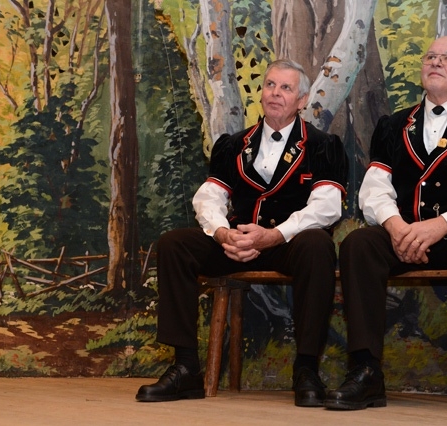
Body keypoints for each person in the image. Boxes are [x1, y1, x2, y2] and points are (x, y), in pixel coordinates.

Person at [325, 36, 447, 410]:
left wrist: (442, 225)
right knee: (359, 244)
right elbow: (374, 190)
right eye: (430, 56)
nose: (435, 62)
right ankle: (366, 371)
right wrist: (396, 227)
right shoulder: (393, 125)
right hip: (405, 235)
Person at [136, 58, 349, 408]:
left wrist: (274, 235)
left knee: (317, 244)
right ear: (261, 93)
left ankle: (306, 368)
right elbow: (208, 197)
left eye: (286, 88)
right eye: (270, 85)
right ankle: (186, 368)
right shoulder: (233, 144)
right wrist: (222, 233)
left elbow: (327, 207)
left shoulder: (324, 145)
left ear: (302, 100)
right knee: (174, 244)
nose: (275, 93)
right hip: (236, 243)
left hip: (287, 244)